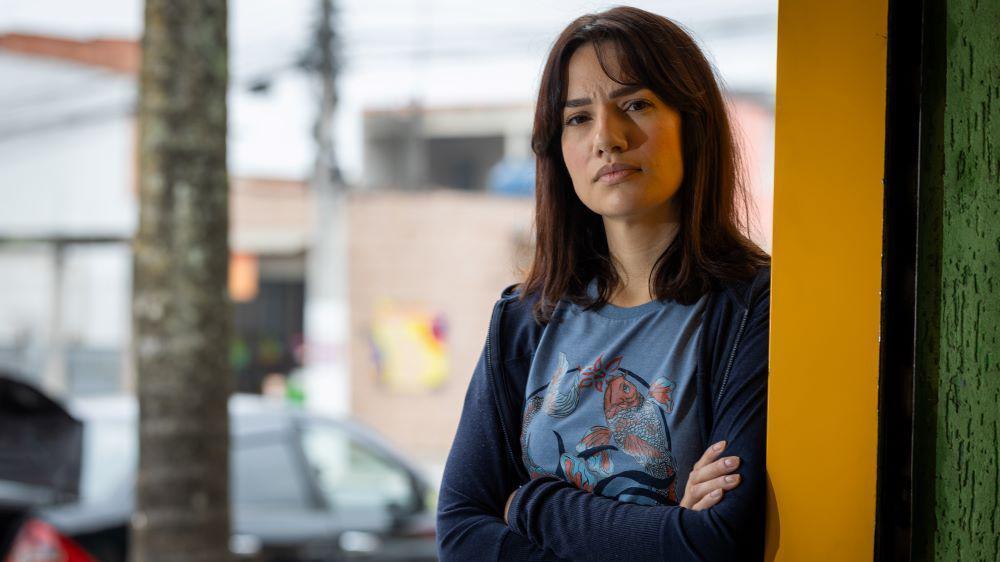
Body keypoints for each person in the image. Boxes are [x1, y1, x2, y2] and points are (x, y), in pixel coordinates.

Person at [436, 6, 770, 561]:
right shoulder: (525, 320)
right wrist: (663, 526)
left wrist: (530, 505)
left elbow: (716, 542)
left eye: (636, 105)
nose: (607, 138)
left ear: (693, 123)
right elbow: (460, 529)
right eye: (577, 118)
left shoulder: (751, 308)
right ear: (557, 149)